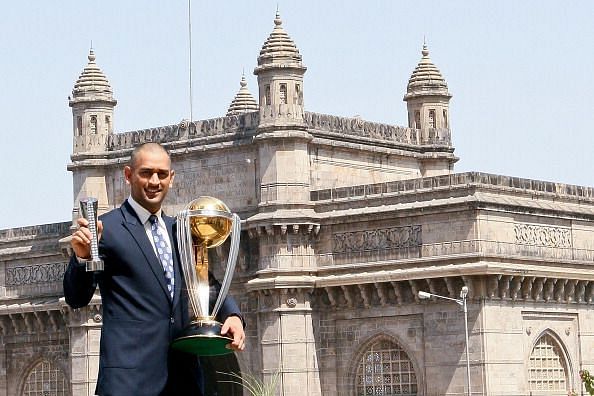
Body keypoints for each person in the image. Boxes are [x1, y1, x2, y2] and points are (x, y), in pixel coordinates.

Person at [64, 142, 245, 396]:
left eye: (161, 174)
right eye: (146, 173)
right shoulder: (108, 229)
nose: (154, 181)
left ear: (171, 178)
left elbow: (204, 282)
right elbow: (76, 297)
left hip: (182, 381)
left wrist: (232, 315)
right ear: (128, 175)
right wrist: (82, 258)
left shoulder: (180, 230)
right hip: (129, 382)